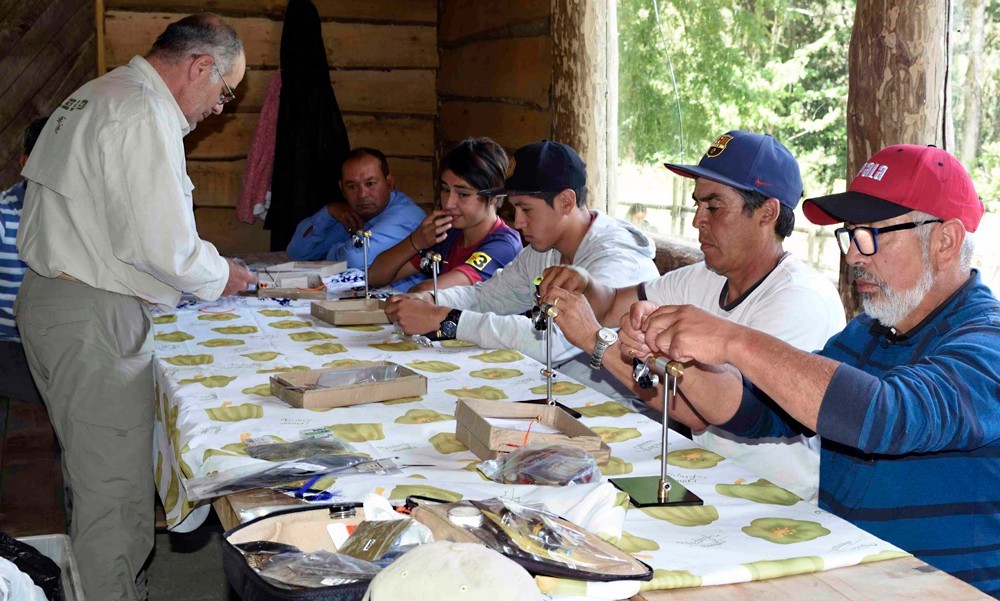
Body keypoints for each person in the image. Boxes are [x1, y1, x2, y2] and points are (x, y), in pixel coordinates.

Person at [635, 144, 999, 596]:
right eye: (849, 236)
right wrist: (676, 357)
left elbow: (888, 416)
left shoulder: (987, 342)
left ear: (945, 241)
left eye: (870, 235)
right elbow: (763, 412)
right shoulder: (868, 333)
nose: (853, 258)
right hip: (848, 571)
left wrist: (734, 340)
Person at [15, 14, 256, 601]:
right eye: (225, 91)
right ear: (201, 66)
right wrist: (228, 275)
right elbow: (163, 246)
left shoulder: (98, 93)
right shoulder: (140, 112)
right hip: (90, 312)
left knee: (98, 477)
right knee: (115, 494)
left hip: (63, 302)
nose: (220, 108)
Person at [539, 131, 844, 502]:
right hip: (706, 474)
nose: (697, 221)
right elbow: (612, 306)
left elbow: (704, 411)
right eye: (697, 204)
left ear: (767, 212)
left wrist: (595, 341)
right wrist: (585, 283)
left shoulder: (800, 300)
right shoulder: (705, 276)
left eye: (714, 207)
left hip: (775, 499)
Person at [385, 140, 660, 400]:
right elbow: (488, 297)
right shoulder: (542, 250)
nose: (517, 222)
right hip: (558, 390)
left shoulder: (620, 260)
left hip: (620, 409)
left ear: (566, 201)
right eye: (514, 208)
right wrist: (431, 301)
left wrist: (447, 320)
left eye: (526, 209)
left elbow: (551, 341)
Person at [367, 138, 521, 292]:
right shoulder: (447, 234)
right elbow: (374, 277)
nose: (448, 203)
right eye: (445, 190)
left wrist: (412, 296)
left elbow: (431, 293)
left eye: (463, 194)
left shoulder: (503, 245)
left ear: (495, 196)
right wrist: (415, 241)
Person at [285, 147, 425, 269]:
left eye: (370, 184)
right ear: (342, 189)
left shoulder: (406, 215)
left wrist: (330, 253)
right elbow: (297, 252)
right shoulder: (350, 214)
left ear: (389, 183)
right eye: (352, 186)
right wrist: (329, 212)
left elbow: (355, 259)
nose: (362, 194)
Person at [0, 117, 47, 406]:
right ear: (25, 162)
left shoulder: (88, 214)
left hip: (66, 340)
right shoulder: (4, 216)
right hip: (12, 347)